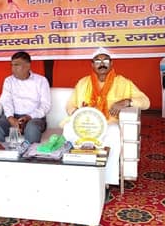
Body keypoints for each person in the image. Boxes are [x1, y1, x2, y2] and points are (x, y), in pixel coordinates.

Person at [62, 48, 150, 180]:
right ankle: (78, 173)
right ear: (92, 65)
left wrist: (126, 102)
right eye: (98, 61)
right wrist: (78, 112)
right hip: (85, 123)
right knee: (68, 129)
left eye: (106, 61)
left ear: (111, 63)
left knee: (114, 132)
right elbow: (70, 105)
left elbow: (146, 102)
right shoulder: (83, 82)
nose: (102, 64)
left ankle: (107, 179)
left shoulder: (123, 83)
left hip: (109, 123)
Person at [0, 51, 51, 144]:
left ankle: (29, 153)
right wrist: (11, 118)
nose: (13, 69)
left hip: (33, 118)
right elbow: (6, 101)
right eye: (12, 65)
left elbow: (46, 105)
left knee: (32, 129)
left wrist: (29, 117)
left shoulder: (41, 81)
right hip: (12, 116)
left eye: (17, 65)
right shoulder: (9, 81)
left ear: (27, 66)